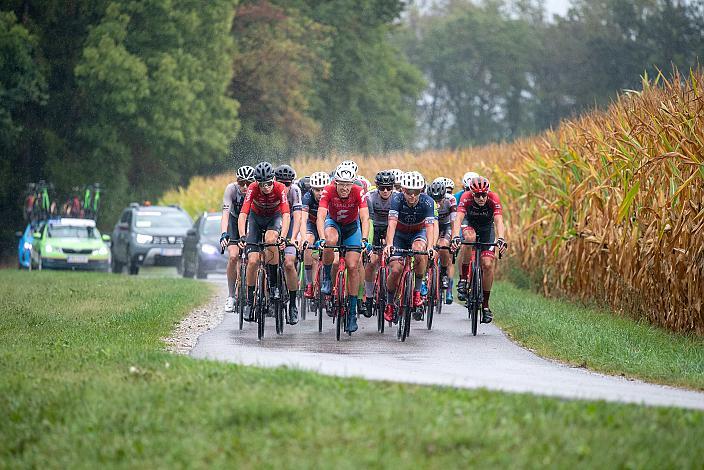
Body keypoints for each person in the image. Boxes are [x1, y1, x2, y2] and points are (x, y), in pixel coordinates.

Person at [316, 165, 370, 333]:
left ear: (352, 183)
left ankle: (352, 312)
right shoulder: (328, 190)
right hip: (333, 224)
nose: (345, 188)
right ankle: (326, 277)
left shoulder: (358, 191)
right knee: (330, 240)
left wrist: (364, 239)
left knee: (353, 266)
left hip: (352, 228)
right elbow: (320, 215)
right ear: (336, 182)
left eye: (348, 184)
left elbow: (365, 217)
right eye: (342, 184)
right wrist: (322, 239)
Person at [238, 162, 290, 321]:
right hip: (256, 218)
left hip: (274, 218)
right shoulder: (252, 188)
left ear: (273, 179)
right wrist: (242, 236)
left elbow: (286, 214)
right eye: (262, 184)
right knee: (253, 261)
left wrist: (283, 237)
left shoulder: (280, 188)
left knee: (270, 240)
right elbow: (243, 214)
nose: (266, 187)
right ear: (257, 182)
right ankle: (248, 301)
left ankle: (273, 285)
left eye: (268, 183)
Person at [451, 176, 507, 323]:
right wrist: (456, 236)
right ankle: (463, 279)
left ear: (488, 192)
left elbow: (499, 220)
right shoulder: (466, 197)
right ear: (472, 193)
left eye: (484, 194)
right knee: (469, 239)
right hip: (470, 225)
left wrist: (501, 238)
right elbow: (458, 219)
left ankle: (486, 306)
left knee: (487, 264)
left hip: (487, 230)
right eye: (477, 195)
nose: (481, 198)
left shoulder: (493, 198)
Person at [383, 171, 436, 322]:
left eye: (416, 192)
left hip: (417, 233)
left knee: (420, 251)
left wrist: (431, 246)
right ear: (402, 190)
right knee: (395, 270)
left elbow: (430, 226)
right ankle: (390, 303)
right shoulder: (396, 199)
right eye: (409, 192)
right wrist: (389, 244)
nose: (412, 196)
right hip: (399, 234)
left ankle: (417, 292)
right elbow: (392, 223)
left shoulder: (428, 202)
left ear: (422, 191)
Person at [219, 165, 255, 312]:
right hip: (234, 222)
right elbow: (225, 214)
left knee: (255, 258)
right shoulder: (231, 189)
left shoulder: (256, 191)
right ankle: (231, 296)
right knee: (233, 256)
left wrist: (246, 236)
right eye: (241, 182)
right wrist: (223, 233)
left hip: (251, 221)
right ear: (236, 182)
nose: (245, 186)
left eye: (248, 183)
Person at [362, 170, 396, 315]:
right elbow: (367, 221)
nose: (385, 191)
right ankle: (369, 298)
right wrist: (368, 242)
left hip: (390, 228)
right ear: (377, 186)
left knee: (394, 262)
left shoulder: (397, 198)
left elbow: (396, 223)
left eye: (389, 187)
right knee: (371, 263)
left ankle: (392, 300)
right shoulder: (370, 197)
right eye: (382, 187)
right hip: (374, 229)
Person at [274, 164, 302, 325]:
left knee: (289, 264)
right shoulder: (270, 189)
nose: (284, 187)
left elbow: (297, 217)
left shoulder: (295, 191)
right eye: (281, 183)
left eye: (288, 184)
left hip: (290, 226)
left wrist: (293, 238)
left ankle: (292, 304)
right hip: (273, 226)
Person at [301, 171, 331, 299]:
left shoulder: (332, 197)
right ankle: (309, 284)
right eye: (317, 190)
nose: (320, 193)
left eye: (323, 190)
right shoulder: (307, 197)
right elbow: (303, 219)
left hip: (327, 225)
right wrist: (303, 239)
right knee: (308, 244)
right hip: (312, 225)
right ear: (311, 189)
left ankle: (330, 282)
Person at [428, 179, 457, 304]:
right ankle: (426, 278)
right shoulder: (425, 199)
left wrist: (455, 237)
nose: (437, 204)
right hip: (431, 225)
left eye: (439, 200)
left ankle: (444, 273)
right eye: (434, 200)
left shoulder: (451, 200)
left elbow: (454, 222)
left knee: (443, 246)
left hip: (446, 226)